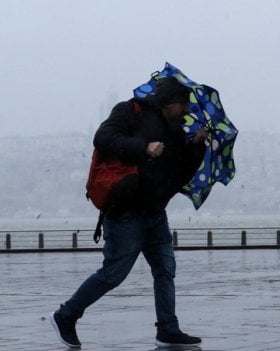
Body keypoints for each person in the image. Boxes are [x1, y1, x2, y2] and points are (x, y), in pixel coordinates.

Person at [51, 77, 207, 348]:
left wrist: (196, 146)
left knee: (165, 270)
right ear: (170, 101)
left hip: (155, 213)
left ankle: (168, 329)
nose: (186, 111)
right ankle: (67, 315)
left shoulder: (176, 131)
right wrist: (144, 148)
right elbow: (103, 138)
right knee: (114, 273)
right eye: (183, 104)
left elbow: (181, 174)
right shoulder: (129, 111)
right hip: (125, 212)